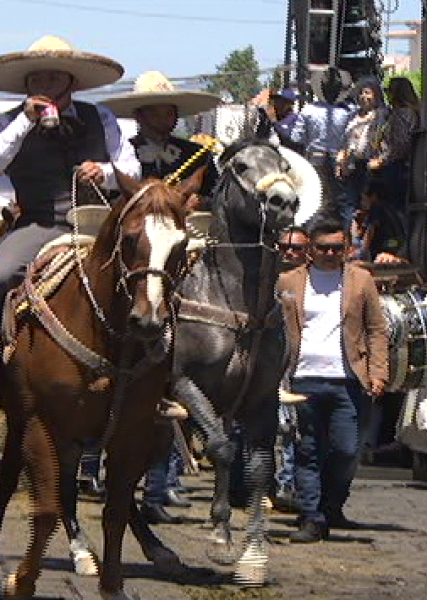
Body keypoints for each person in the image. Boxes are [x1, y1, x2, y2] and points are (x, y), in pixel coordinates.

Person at [101, 70, 221, 524]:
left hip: (182, 246)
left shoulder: (197, 155)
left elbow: (213, 200)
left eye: (170, 110)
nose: (165, 117)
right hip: (136, 252)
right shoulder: (123, 153)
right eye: (156, 109)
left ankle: (163, 480)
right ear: (140, 113)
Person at [0, 35, 139, 304]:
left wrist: (104, 173)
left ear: (71, 83)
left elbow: (131, 171)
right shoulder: (10, 121)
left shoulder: (100, 116)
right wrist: (25, 121)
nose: (45, 86)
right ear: (26, 84)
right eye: (37, 79)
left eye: (53, 78)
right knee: (2, 272)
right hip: (40, 223)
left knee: (154, 271)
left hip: (102, 222)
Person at [278, 216, 389, 542]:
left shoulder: (361, 280)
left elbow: (376, 329)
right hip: (304, 377)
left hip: (348, 378)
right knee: (307, 450)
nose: (330, 254)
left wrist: (378, 372)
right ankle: (311, 516)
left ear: (347, 248)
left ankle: (330, 506)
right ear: (310, 249)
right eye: (323, 248)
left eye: (337, 248)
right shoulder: (289, 282)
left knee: (345, 449)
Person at [101, 70, 220, 207]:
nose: (163, 119)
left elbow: (218, 196)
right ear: (138, 116)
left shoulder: (198, 155)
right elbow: (108, 200)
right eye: (154, 113)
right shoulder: (121, 155)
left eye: (169, 113)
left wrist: (200, 201)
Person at [273, 226, 311, 511]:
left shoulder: (313, 281)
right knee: (284, 428)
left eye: (296, 248)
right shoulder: (271, 280)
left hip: (309, 364)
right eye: (284, 246)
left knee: (300, 430)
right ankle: (284, 485)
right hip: (277, 364)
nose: (289, 251)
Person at [291, 67, 353, 213]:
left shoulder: (308, 110)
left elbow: (297, 138)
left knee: (313, 199)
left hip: (314, 159)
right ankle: (345, 232)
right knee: (341, 201)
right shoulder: (348, 112)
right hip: (339, 160)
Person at [336, 77, 388, 225]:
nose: (363, 97)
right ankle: (349, 239)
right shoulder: (352, 116)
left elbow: (385, 141)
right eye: (361, 93)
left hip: (370, 165)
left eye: (368, 93)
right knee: (349, 204)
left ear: (376, 95)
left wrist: (380, 158)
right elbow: (344, 139)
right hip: (351, 164)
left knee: (367, 205)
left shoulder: (382, 115)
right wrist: (341, 159)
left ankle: (365, 240)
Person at [368, 76, 420, 223]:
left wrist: (382, 160)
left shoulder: (402, 114)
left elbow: (401, 145)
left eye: (389, 91)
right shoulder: (408, 112)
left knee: (393, 207)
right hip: (404, 165)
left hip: (397, 167)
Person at [349, 178, 406, 263]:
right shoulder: (392, 208)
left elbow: (371, 231)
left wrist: (362, 252)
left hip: (385, 247)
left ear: (373, 196)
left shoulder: (376, 209)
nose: (362, 202)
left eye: (364, 198)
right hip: (396, 244)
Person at [254, 87, 304, 153]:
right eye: (276, 101)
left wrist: (275, 127)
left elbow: (294, 141)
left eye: (281, 102)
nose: (277, 105)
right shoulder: (270, 119)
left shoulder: (296, 121)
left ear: (290, 104)